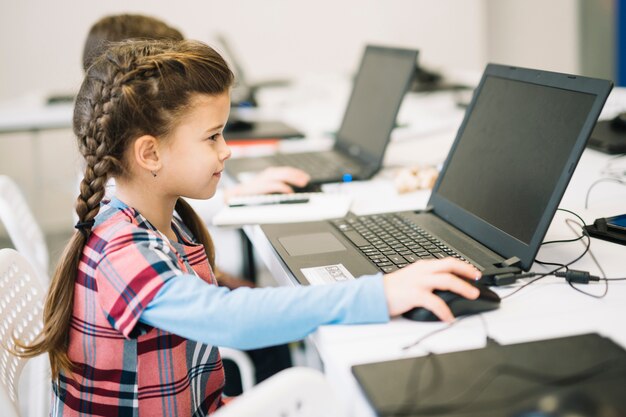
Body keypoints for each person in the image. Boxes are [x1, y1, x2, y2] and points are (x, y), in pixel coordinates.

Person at [17, 40, 480, 416]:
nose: (227, 150)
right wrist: (379, 293)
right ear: (150, 155)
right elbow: (229, 318)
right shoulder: (121, 250)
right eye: (213, 136)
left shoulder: (154, 218)